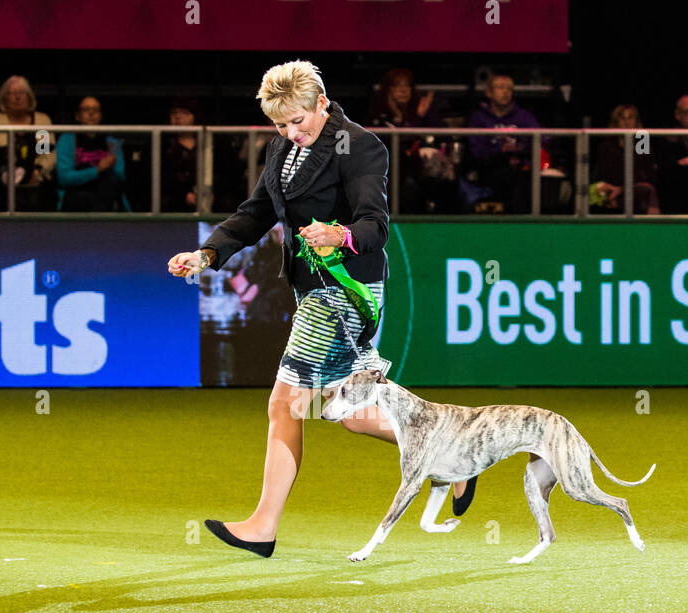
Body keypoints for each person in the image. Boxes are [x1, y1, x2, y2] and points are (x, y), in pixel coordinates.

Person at [166, 60, 472, 557]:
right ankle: (455, 451)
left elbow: (376, 224)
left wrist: (339, 234)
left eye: (298, 122)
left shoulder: (360, 145)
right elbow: (257, 212)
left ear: (322, 103)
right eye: (281, 125)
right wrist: (208, 254)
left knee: (285, 404)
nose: (290, 133)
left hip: (345, 292)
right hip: (313, 291)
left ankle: (263, 526)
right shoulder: (281, 148)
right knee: (346, 413)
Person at [368, 68, 456, 213]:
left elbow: (445, 134)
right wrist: (415, 118)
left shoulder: (421, 109)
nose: (403, 90)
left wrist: (422, 115)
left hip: (424, 169)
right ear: (387, 90)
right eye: (397, 85)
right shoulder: (379, 115)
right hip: (391, 170)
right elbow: (386, 145)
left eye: (407, 85)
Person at [0, 75, 56, 211]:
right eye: (12, 93)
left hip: (36, 186)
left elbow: (46, 154)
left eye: (21, 93)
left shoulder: (41, 120)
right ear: (4, 98)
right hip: (0, 187)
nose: (17, 97)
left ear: (29, 97)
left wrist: (37, 172)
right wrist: (3, 175)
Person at [466, 74, 541, 213]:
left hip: (520, 170)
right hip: (490, 170)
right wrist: (500, 149)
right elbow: (477, 151)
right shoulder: (478, 118)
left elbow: (540, 141)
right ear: (489, 93)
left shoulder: (524, 117)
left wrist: (521, 148)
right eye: (500, 88)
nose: (506, 92)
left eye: (509, 89)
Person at [55, 95, 128, 211]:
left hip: (105, 200)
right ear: (77, 116)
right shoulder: (66, 139)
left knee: (110, 180)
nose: (91, 113)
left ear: (100, 116)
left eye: (95, 110)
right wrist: (97, 170)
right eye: (86, 109)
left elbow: (121, 177)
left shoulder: (112, 142)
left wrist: (112, 166)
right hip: (76, 199)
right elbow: (63, 178)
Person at [593, 104, 660, 214]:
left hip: (635, 191)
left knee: (646, 189)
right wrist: (617, 188)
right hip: (612, 190)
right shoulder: (606, 145)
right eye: (622, 118)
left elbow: (647, 176)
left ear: (636, 121)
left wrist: (622, 188)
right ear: (616, 122)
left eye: (630, 118)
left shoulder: (642, 142)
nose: (626, 122)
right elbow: (606, 175)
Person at [161, 98, 200, 212]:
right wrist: (184, 194)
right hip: (174, 198)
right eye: (174, 113)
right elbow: (162, 177)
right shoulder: (163, 144)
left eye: (184, 113)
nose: (178, 117)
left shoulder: (209, 143)